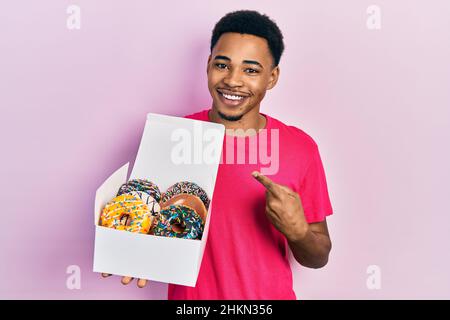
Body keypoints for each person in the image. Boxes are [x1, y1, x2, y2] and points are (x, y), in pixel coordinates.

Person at [103, 9, 333, 300]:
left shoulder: (300, 147)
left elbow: (319, 255)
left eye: (251, 70)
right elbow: (142, 217)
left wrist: (298, 232)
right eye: (223, 65)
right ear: (208, 65)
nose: (233, 80)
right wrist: (127, 248)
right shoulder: (172, 137)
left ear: (272, 77)